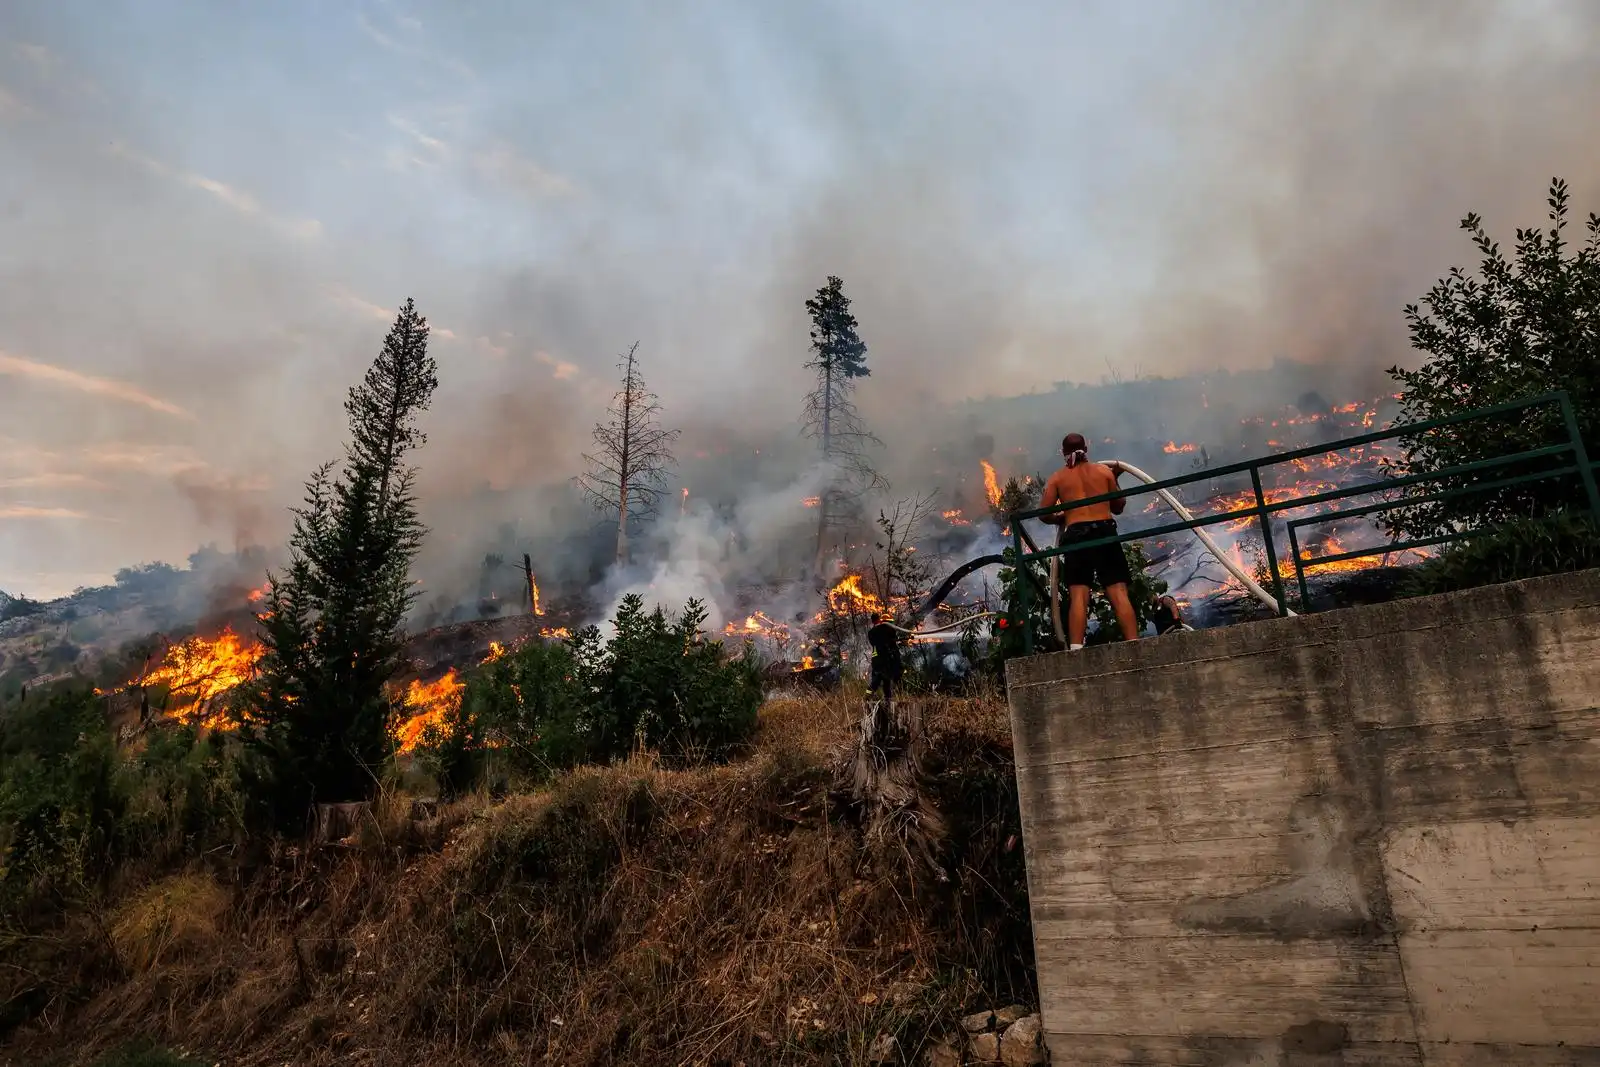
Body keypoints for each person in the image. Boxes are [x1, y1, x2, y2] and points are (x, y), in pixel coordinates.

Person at [1038, 432, 1139, 650]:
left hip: (1076, 536)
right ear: (1087, 447)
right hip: (1104, 532)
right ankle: (1135, 645)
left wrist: (1062, 517)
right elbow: (1118, 506)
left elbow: (1044, 513)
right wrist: (1115, 478)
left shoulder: (1057, 478)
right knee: (1118, 593)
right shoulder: (1104, 471)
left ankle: (1076, 650)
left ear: (1063, 453)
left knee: (1079, 595)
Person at [866, 613, 904, 704]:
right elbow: (892, 643)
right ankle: (890, 699)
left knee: (879, 682)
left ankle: (869, 697)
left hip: (876, 661)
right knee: (889, 680)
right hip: (885, 660)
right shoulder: (887, 630)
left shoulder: (871, 632)